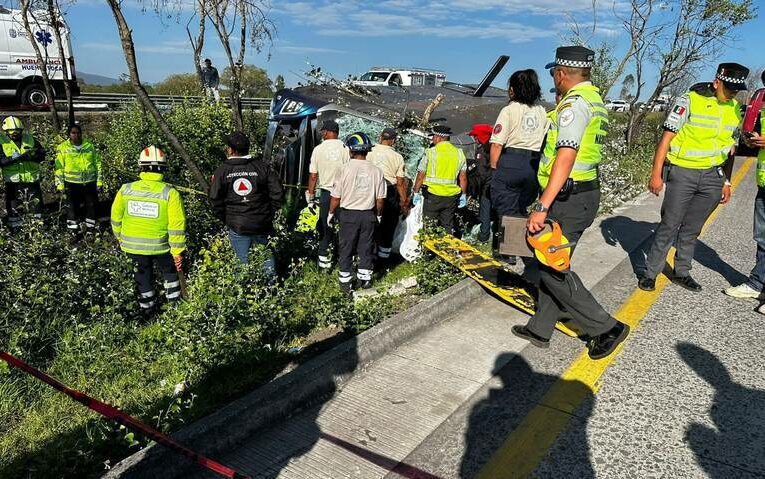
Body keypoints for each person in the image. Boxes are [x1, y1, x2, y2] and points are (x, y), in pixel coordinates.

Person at [512, 46, 629, 360]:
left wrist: (542, 206)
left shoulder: (574, 106)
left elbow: (566, 156)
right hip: (580, 193)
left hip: (568, 198)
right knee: (551, 261)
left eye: (554, 74)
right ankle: (541, 327)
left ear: (561, 73)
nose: (554, 79)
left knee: (552, 267)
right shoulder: (594, 100)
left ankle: (606, 328)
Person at [639, 63, 748, 293]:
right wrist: (656, 174)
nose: (731, 94)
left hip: (712, 177)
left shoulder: (735, 108)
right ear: (717, 82)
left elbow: (731, 148)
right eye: (728, 88)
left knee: (692, 228)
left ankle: (682, 271)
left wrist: (726, 181)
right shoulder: (689, 100)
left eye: (735, 90)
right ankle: (650, 273)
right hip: (683, 173)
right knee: (669, 225)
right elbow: (666, 138)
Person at [110, 146, 186, 316]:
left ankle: (148, 311)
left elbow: (115, 218)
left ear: (141, 166)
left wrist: (120, 238)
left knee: (142, 278)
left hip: (132, 246)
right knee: (169, 274)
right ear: (163, 168)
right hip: (162, 247)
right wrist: (177, 252)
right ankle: (175, 309)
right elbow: (176, 226)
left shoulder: (126, 189)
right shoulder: (170, 193)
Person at [209, 131, 283, 274]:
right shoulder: (262, 167)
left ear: (231, 150)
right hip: (261, 222)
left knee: (242, 261)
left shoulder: (222, 171)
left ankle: (244, 293)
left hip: (237, 225)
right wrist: (269, 213)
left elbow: (214, 199)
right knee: (266, 257)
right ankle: (271, 290)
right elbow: (278, 193)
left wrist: (225, 218)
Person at [725, 70, 765, 304]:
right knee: (762, 237)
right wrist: (751, 140)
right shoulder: (761, 99)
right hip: (764, 181)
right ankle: (758, 284)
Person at [328, 132, 386, 293]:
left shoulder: (344, 169)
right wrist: (379, 214)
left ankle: (346, 282)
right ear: (367, 150)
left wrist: (331, 213)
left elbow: (336, 196)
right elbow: (380, 199)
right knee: (366, 247)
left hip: (348, 215)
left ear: (351, 150)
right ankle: (365, 279)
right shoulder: (377, 171)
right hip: (368, 214)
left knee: (346, 247)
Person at [306, 119, 350, 270]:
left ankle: (324, 263)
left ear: (326, 131)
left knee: (325, 228)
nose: (322, 134)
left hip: (326, 194)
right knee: (344, 228)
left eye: (323, 131)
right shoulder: (346, 148)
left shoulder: (318, 149)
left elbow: (313, 176)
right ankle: (345, 260)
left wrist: (310, 197)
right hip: (344, 195)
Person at [412, 125, 468, 234]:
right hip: (451, 197)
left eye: (433, 136)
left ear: (439, 137)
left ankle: (428, 250)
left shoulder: (430, 152)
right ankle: (445, 249)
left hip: (433, 195)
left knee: (429, 225)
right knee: (447, 226)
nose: (432, 139)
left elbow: (420, 176)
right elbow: (463, 178)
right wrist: (463, 194)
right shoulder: (459, 153)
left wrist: (416, 192)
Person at [367, 127, 409, 261]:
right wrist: (404, 202)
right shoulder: (397, 157)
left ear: (380, 137)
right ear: (393, 141)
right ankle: (383, 259)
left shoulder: (369, 151)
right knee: (388, 225)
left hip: (370, 190)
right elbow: (400, 182)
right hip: (389, 191)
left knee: (370, 223)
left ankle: (368, 254)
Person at [0, 116, 46, 229]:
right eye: (12, 132)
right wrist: (13, 158)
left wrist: (31, 156)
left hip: (31, 178)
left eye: (18, 131)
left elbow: (42, 154)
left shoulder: (30, 139)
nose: (15, 134)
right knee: (13, 204)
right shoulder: (1, 142)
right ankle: (15, 227)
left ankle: (37, 226)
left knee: (36, 204)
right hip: (13, 180)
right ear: (6, 131)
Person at [55, 124, 102, 232]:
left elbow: (97, 164)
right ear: (69, 134)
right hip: (71, 183)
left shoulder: (89, 146)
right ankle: (73, 231)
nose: (76, 135)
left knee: (91, 206)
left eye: (78, 132)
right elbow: (59, 168)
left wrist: (99, 181)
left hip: (89, 182)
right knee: (71, 208)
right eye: (73, 133)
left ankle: (90, 229)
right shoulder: (62, 148)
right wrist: (60, 184)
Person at [468, 124, 494, 242]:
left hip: (486, 186)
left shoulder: (483, 150)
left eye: (476, 136)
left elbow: (482, 172)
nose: (474, 138)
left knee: (485, 208)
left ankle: (484, 235)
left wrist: (476, 188)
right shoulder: (492, 147)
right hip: (493, 183)